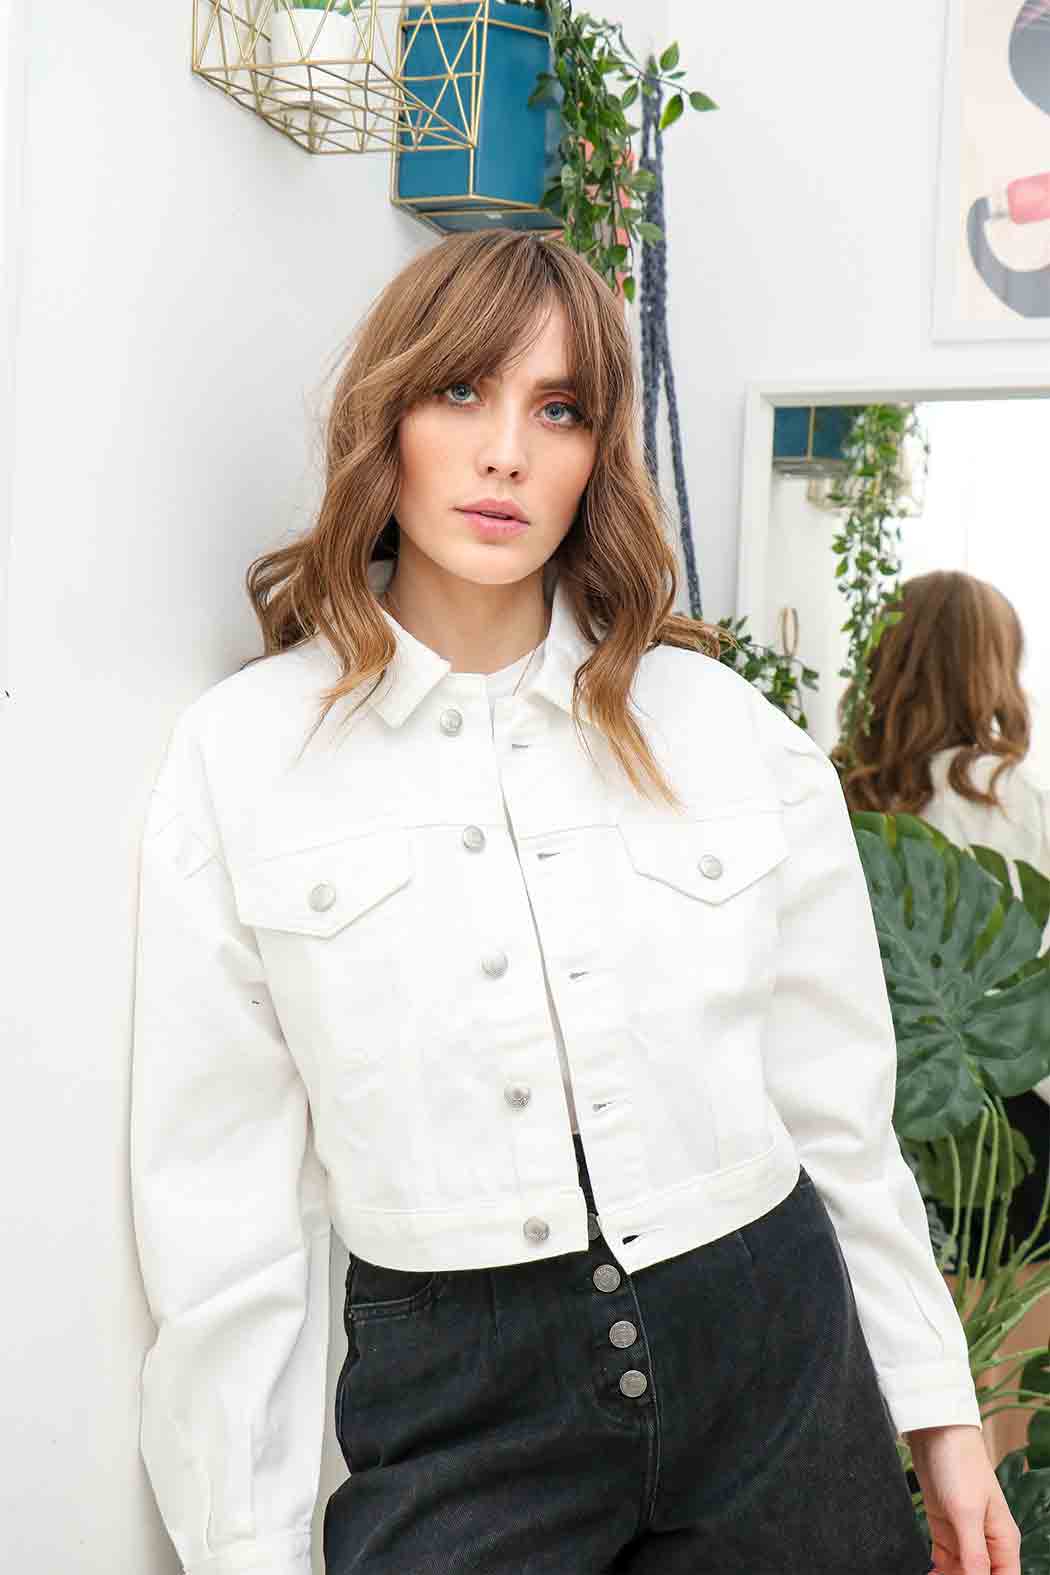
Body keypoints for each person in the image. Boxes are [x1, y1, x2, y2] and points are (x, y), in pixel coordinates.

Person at [129, 231, 1016, 1575]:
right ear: (388, 415)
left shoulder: (726, 732)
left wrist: (938, 1411)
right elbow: (219, 1202)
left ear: (599, 455)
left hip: (773, 1360)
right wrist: (244, 1543)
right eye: (460, 392)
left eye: (559, 411)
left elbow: (835, 1111)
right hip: (459, 1397)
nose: (506, 454)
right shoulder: (245, 755)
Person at [839, 569, 1050, 1467]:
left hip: (891, 1119)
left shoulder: (843, 795)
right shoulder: (1015, 797)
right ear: (991, 668)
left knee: (912, 1371)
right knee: (1013, 1382)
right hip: (1015, 1120)